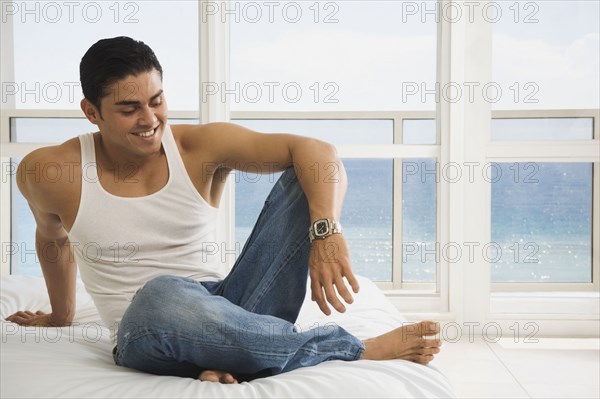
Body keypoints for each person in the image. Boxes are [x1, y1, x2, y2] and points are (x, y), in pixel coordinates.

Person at [6, 36, 441, 383]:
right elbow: (51, 238)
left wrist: (326, 231)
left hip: (232, 306)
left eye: (156, 100)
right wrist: (60, 317)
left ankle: (223, 354)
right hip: (146, 329)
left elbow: (317, 151)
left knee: (300, 176)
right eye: (129, 108)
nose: (150, 119)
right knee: (161, 293)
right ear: (91, 112)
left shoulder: (196, 148)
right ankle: (351, 348)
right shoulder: (51, 172)